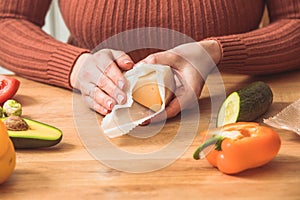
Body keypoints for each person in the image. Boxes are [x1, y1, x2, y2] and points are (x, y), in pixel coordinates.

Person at [0, 0, 299, 123]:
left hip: (226, 105)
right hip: (83, 110)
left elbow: (295, 19)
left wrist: (215, 53)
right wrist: (76, 67)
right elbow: (8, 18)